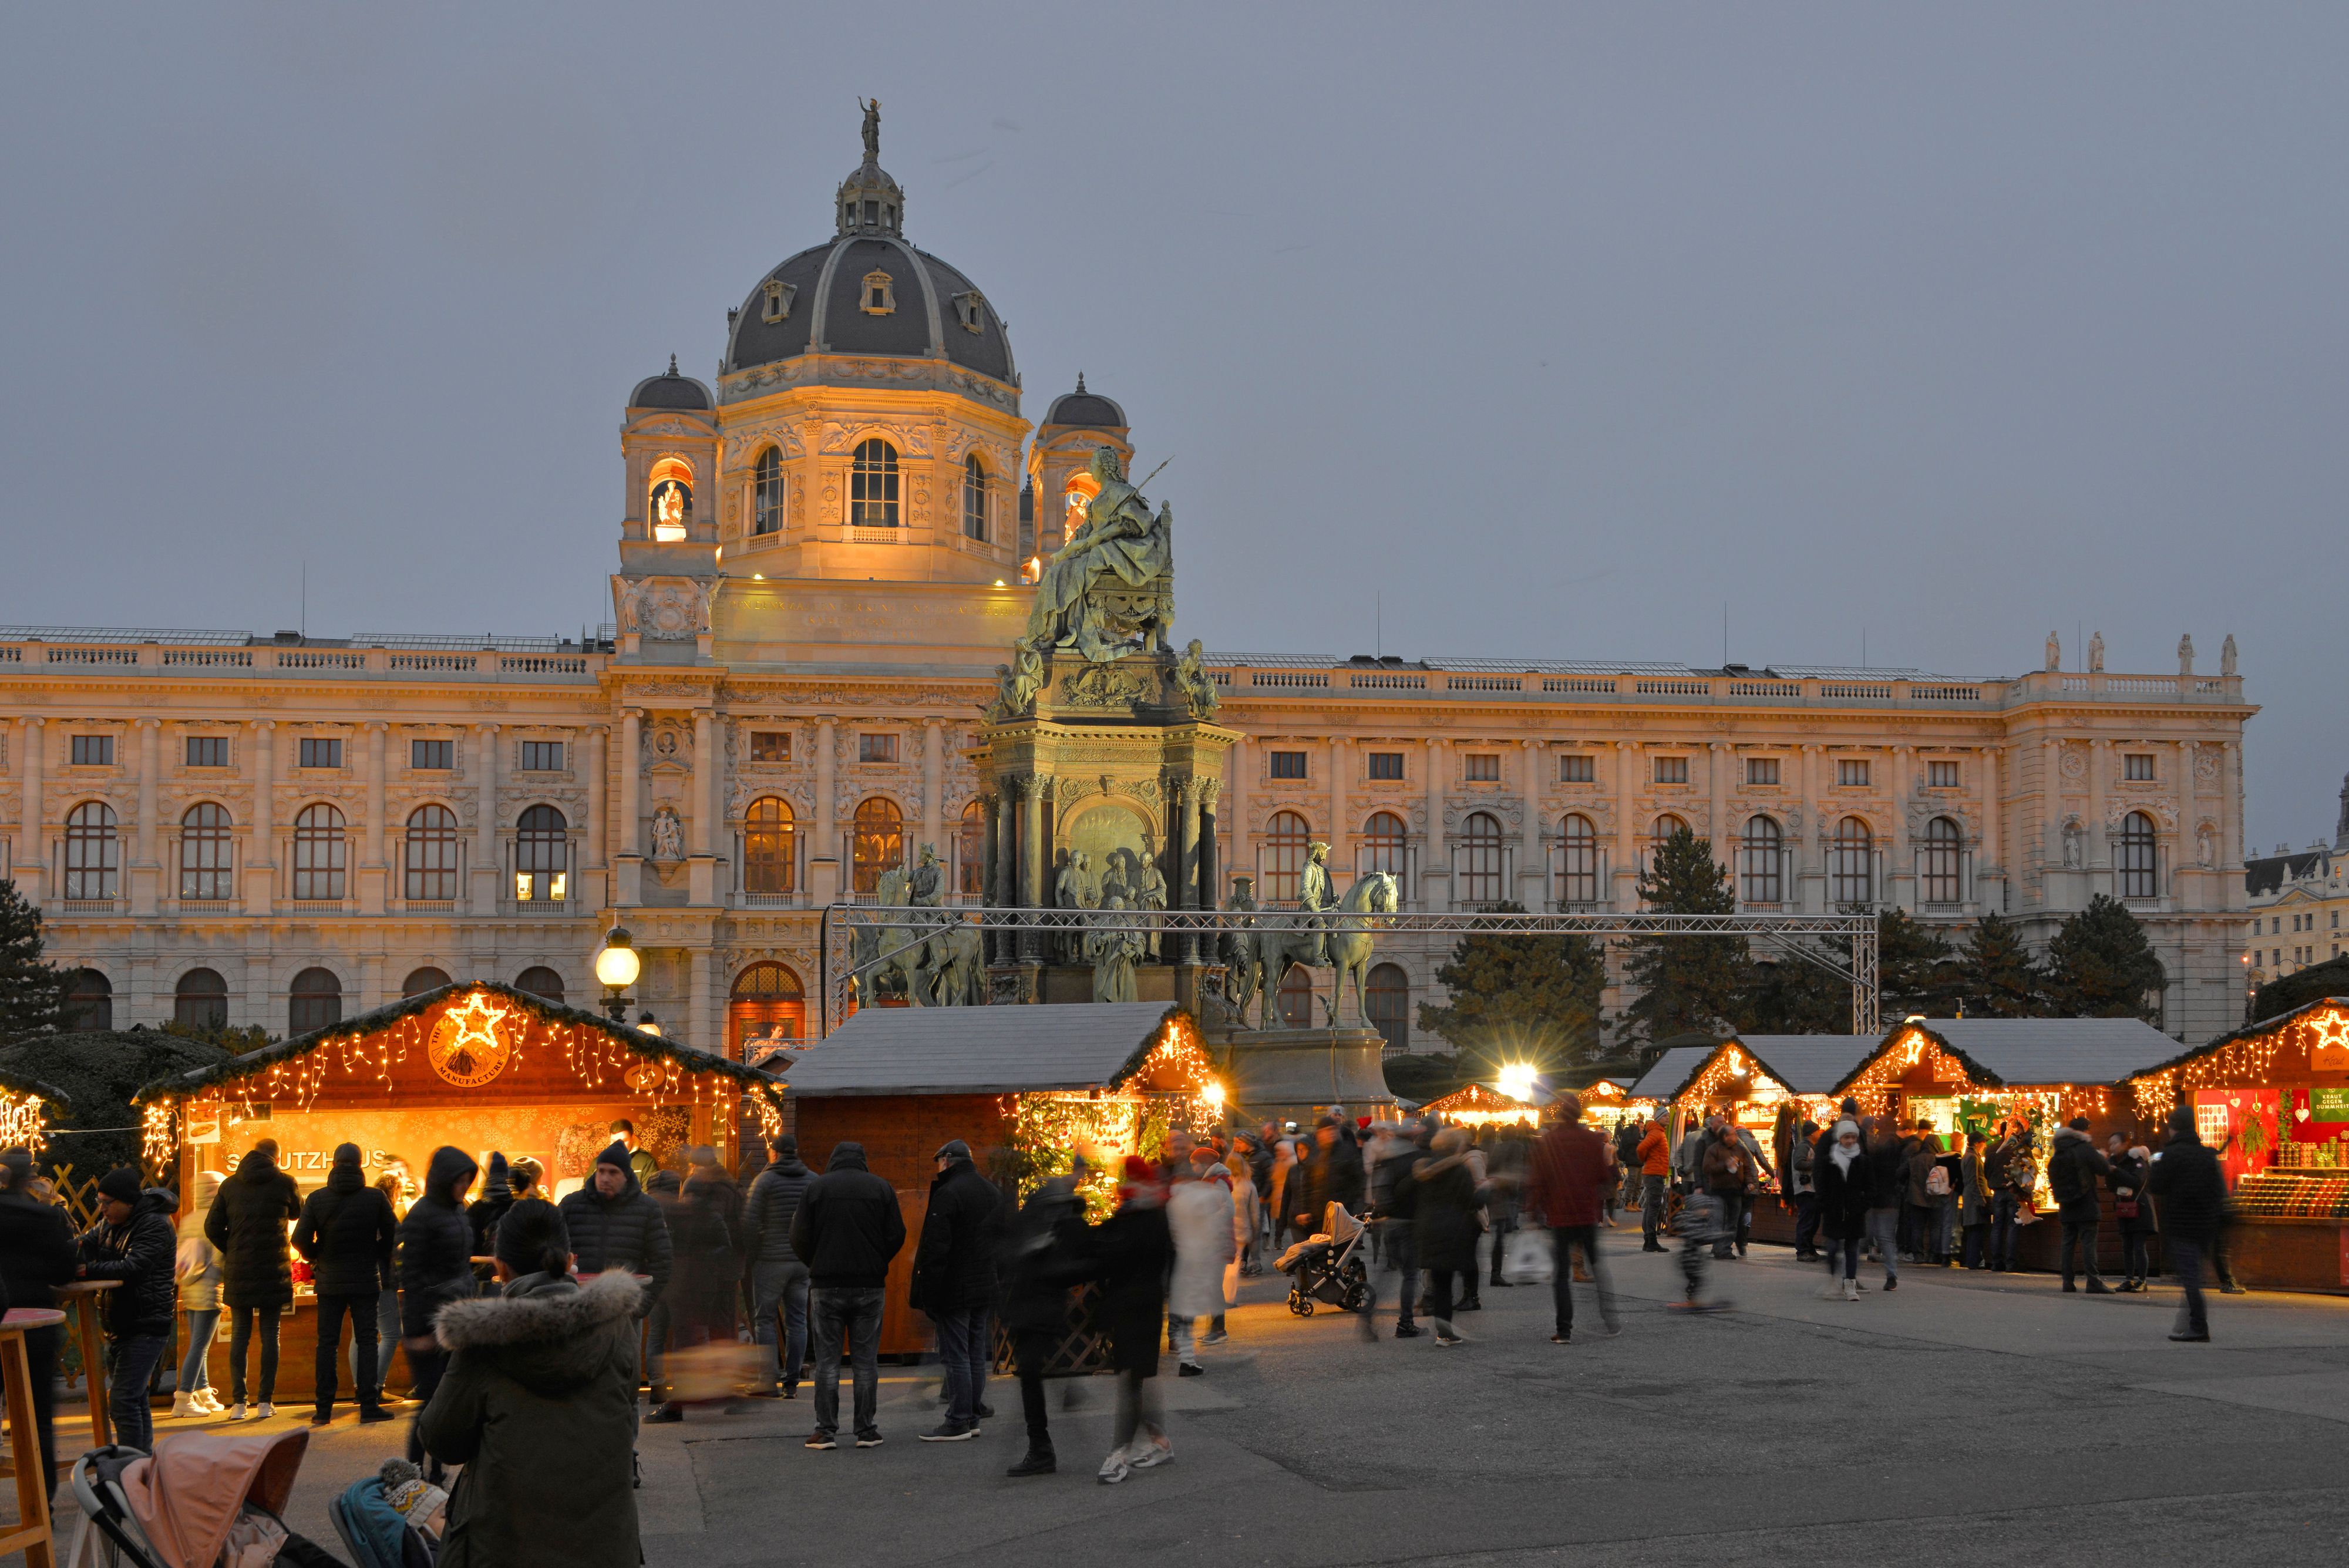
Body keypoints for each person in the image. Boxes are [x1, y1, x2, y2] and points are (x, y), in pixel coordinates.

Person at [418, 1200, 643, 1568]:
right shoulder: (618, 1329)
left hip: (506, 1547)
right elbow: (627, 1409)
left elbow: (442, 1439)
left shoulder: (484, 1341)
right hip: (607, 1547)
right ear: (570, 1258)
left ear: (501, 1267)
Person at [790, 1140, 907, 1450]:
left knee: (828, 1362)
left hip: (826, 1286)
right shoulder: (881, 1188)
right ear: (863, 1160)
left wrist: (816, 1264)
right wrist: (877, 1261)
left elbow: (798, 1236)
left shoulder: (817, 1189)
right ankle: (866, 1430)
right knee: (866, 1361)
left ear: (833, 1160)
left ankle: (825, 1431)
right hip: (870, 1286)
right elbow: (897, 1233)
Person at [560, 1139, 674, 1416]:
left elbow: (662, 1260)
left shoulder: (646, 1209)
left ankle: (626, 1450)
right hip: (581, 1309)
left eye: (613, 1173)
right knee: (581, 1382)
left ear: (626, 1176)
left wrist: (641, 1306)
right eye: (601, 1171)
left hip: (624, 1311)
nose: (605, 1178)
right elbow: (553, 1252)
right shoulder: (572, 1206)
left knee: (625, 1384)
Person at [292, 1142, 399, 1426]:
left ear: (334, 1164)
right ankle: (368, 1406)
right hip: (366, 1278)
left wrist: (317, 1257)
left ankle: (323, 1410)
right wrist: (377, 1253)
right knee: (367, 1341)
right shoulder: (375, 1198)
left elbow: (299, 1239)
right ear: (360, 1164)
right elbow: (393, 1232)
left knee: (326, 1344)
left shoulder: (316, 1199)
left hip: (329, 1280)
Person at [77, 1165, 178, 1453]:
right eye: (99, 1203)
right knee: (135, 1399)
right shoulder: (111, 1224)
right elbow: (83, 1244)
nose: (102, 1210)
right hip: (120, 1324)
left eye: (107, 1203)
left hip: (146, 1323)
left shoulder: (155, 1224)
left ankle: (129, 1468)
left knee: (122, 1401)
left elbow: (133, 1268)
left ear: (128, 1202)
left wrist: (86, 1270)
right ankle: (142, 1463)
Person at [998, 1159, 1089, 1476]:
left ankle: (1040, 1448)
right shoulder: (1052, 1220)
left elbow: (1075, 1263)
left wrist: (1039, 1253)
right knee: (1031, 1374)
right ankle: (1040, 1445)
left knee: (1030, 1375)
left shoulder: (1052, 1222)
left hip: (1035, 1307)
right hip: (1034, 1307)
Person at [911, 1138, 1002, 1439]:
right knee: (976, 1354)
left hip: (955, 1287)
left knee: (956, 1355)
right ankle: (973, 1416)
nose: (939, 1167)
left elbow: (936, 1249)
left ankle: (958, 1420)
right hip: (985, 1284)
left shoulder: (949, 1193)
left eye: (939, 1162)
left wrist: (930, 1293)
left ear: (948, 1160)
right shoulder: (991, 1191)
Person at [204, 1137, 302, 1418]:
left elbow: (212, 1226)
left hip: (240, 1269)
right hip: (274, 1270)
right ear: (276, 1156)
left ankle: (238, 1404)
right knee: (272, 1334)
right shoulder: (285, 1182)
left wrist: (233, 1248)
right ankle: (264, 1402)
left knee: (240, 1334)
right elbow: (298, 1212)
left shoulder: (230, 1185)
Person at [1092, 1156, 1174, 1482]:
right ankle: (1159, 1440)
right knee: (1137, 1377)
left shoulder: (1144, 1216)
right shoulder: (1144, 1213)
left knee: (1132, 1379)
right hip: (1140, 1306)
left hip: (1137, 1307)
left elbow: (1115, 1252)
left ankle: (1118, 1455)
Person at [0, 1146, 76, 1496]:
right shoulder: (44, 1217)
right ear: (29, 1177)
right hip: (36, 1323)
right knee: (38, 1419)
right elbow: (64, 1270)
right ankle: (41, 1504)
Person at [647, 1146, 742, 1423]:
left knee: (681, 1343)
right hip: (707, 1288)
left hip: (679, 1288)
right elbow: (726, 1248)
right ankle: (718, 1392)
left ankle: (674, 1400)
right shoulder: (712, 1214)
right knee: (706, 1339)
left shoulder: (675, 1214)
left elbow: (662, 1251)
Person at [399, 1147, 480, 1472]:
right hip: (429, 1321)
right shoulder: (422, 1215)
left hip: (455, 1316)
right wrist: (417, 1330)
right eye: (459, 1181)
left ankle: (436, 1472)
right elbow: (412, 1276)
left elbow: (460, 1266)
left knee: (449, 1402)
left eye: (467, 1181)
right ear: (445, 1179)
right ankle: (414, 1472)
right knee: (430, 1404)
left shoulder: (458, 1211)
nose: (464, 1187)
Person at [1524, 1093, 1618, 1344]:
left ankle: (1564, 1330)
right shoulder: (1591, 1140)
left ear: (1558, 1114)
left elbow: (1539, 1179)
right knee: (1597, 1265)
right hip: (1586, 1211)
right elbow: (1603, 1175)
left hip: (1560, 1214)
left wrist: (1533, 1212)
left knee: (1561, 1275)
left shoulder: (1550, 1141)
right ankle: (1609, 1319)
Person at [741, 1133, 813, 1399]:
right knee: (798, 1320)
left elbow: (749, 1222)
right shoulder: (812, 1181)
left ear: (774, 1153)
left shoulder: (765, 1181)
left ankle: (767, 1381)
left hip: (770, 1261)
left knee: (765, 1319)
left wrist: (752, 1253)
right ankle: (792, 1382)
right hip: (801, 1262)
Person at [1398, 1127, 1483, 1345]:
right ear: (1456, 1146)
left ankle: (1443, 1332)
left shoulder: (1422, 1168)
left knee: (1439, 1284)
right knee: (1446, 1284)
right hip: (1454, 1231)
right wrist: (1486, 1192)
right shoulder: (1460, 1171)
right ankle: (1445, 1333)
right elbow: (1472, 1202)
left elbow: (1402, 1191)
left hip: (1427, 1230)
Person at [2148, 1106, 2225, 1342]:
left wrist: (2155, 1166)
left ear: (2173, 1128)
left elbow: (2156, 1186)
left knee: (2190, 1277)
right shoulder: (2207, 1156)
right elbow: (2217, 1190)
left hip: (2181, 1223)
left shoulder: (2171, 1155)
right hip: (2205, 1223)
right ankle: (2186, 1323)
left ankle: (2198, 1326)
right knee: (2192, 1274)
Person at [1165, 1143, 1234, 1378]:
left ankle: (1189, 1359)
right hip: (1199, 1256)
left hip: (1188, 1258)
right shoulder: (1202, 1193)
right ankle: (1188, 1360)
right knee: (1190, 1310)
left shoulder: (1183, 1196)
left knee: (1187, 1309)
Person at [171, 1169, 226, 1419]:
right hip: (209, 1287)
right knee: (200, 1346)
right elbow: (220, 1257)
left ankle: (203, 1391)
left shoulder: (189, 1218)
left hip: (190, 1286)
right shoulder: (218, 1219)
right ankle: (183, 1397)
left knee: (197, 1343)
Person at [351, 1170, 408, 1408]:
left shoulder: (361, 1208)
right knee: (392, 1333)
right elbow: (395, 1240)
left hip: (357, 1278)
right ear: (394, 1192)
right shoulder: (385, 1211)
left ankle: (360, 1389)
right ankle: (376, 1387)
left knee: (360, 1335)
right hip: (382, 1279)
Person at [2049, 1115, 2114, 1294]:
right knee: (2088, 1243)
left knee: (2068, 1243)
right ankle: (2093, 1281)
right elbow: (2103, 1168)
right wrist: (2101, 1156)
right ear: (2084, 1131)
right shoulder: (2084, 1148)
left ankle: (2067, 1282)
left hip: (2066, 1203)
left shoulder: (2059, 1150)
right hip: (2086, 1202)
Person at [1815, 1120, 1874, 1301]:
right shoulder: (1830, 1161)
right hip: (1834, 1210)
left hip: (1855, 1212)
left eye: (1853, 1137)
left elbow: (1871, 1188)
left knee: (1852, 1249)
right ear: (1840, 1138)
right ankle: (1834, 1279)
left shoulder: (1863, 1161)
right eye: (1847, 1137)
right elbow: (1821, 1184)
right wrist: (1825, 1204)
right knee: (1832, 1248)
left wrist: (1862, 1206)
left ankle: (1850, 1285)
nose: (1850, 1141)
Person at [1860, 1118, 1904, 1291]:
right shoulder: (1897, 1148)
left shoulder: (1875, 1149)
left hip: (1874, 1199)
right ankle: (1891, 1275)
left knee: (1863, 1237)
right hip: (1890, 1199)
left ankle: (1850, 1276)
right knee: (1886, 1239)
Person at [2108, 1133, 2156, 1291]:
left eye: (2115, 1143)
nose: (2112, 1147)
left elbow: (2137, 1181)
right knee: (2127, 1246)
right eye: (2111, 1144)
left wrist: (2116, 1172)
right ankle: (2129, 1279)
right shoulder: (2113, 1161)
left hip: (2140, 1206)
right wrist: (2111, 1172)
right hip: (2124, 1207)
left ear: (2124, 1144)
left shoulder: (2137, 1159)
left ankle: (2142, 1281)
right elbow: (2110, 1186)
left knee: (2139, 1246)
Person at [1990, 1121, 2037, 1271]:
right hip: (2014, 1192)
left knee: (1997, 1226)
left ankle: (1996, 1262)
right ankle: (2010, 1264)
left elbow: (1986, 1172)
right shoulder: (2019, 1149)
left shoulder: (1991, 1149)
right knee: (2012, 1226)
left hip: (1997, 1191)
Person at [465, 1153, 515, 1262]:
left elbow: (466, 1244)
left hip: (477, 1270)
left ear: (488, 1176)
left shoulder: (476, 1208)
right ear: (507, 1177)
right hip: (512, 1272)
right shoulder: (518, 1207)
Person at [1958, 1132, 1994, 1269]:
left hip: (1972, 1197)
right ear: (1976, 1143)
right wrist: (1981, 1199)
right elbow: (1973, 1181)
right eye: (1982, 1142)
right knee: (1976, 1230)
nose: (1984, 1145)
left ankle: (1973, 1260)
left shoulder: (1970, 1156)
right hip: (1975, 1198)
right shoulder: (1972, 1158)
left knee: (1975, 1230)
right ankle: (1974, 1261)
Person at [1635, 1116, 1670, 1251]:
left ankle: (1648, 1240)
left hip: (1654, 1172)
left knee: (1651, 1206)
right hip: (1654, 1173)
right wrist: (1645, 1159)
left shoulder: (1656, 1132)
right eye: (1665, 1116)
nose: (1668, 1118)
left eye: (1668, 1116)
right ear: (1659, 1118)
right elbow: (1641, 1148)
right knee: (1654, 1207)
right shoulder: (1656, 1133)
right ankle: (1651, 1240)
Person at [1789, 1121, 1821, 1261]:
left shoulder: (1810, 1146)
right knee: (1807, 1221)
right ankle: (1802, 1251)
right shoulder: (1804, 1147)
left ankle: (1809, 1248)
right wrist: (1818, 1164)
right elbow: (1799, 1163)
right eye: (1818, 1131)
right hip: (1805, 1190)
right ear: (1813, 1132)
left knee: (1813, 1221)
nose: (1820, 1133)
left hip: (1812, 1189)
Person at [608, 1121, 659, 1188]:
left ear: (632, 1138)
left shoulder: (647, 1163)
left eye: (624, 1141)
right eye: (614, 1141)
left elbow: (651, 1194)